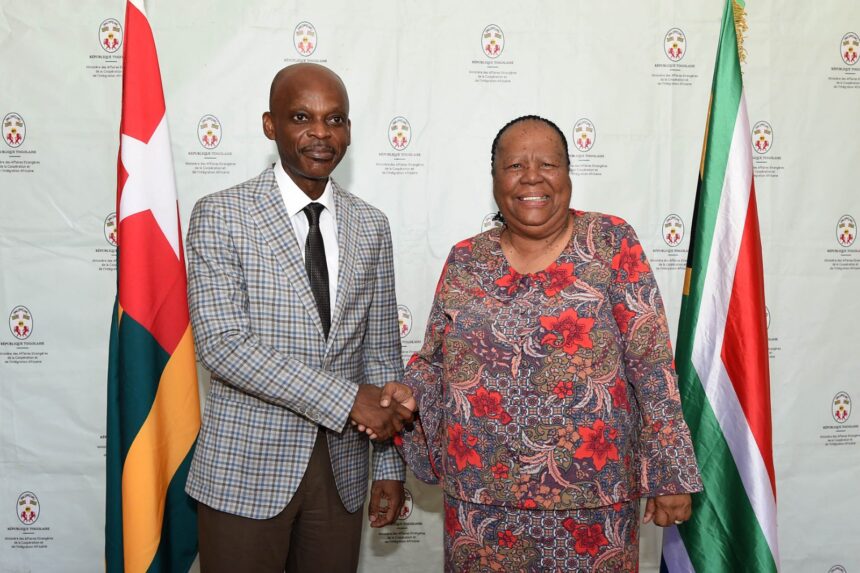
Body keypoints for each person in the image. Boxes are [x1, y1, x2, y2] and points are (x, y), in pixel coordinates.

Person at [389, 115, 703, 571]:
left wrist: (669, 471)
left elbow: (651, 365)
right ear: (495, 179)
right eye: (514, 165)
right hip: (481, 504)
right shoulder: (465, 259)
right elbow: (435, 361)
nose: (532, 176)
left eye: (548, 164)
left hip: (593, 505)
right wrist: (407, 392)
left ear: (568, 174)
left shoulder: (611, 242)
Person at [185, 63, 413, 573]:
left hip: (343, 471)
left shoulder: (371, 225)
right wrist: (345, 398)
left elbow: (381, 351)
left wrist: (391, 463)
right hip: (245, 470)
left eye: (336, 119)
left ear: (349, 131)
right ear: (271, 125)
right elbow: (223, 345)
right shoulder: (221, 214)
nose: (320, 133)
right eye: (301, 117)